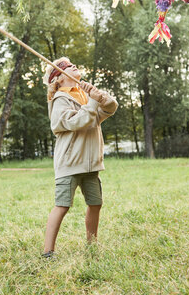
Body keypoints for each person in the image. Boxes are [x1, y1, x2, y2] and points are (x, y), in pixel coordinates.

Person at [42, 57, 118, 258]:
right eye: (67, 67)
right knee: (63, 205)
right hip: (70, 163)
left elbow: (110, 108)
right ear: (58, 78)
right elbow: (80, 121)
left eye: (72, 64)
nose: (73, 66)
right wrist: (92, 101)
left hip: (90, 163)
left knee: (95, 203)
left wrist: (99, 96)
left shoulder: (84, 95)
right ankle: (48, 251)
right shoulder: (60, 99)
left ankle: (92, 245)